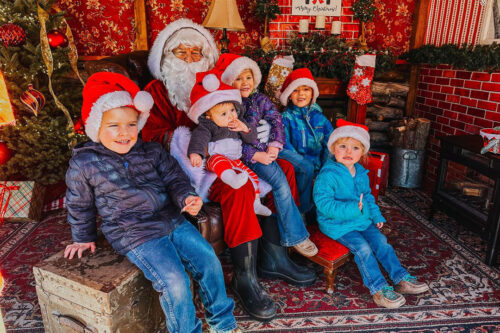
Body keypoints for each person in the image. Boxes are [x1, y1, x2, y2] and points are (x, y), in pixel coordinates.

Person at [142, 19, 315, 321]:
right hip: (194, 171)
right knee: (239, 186)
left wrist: (258, 129)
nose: (190, 60)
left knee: (283, 167)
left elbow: (242, 110)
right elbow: (147, 138)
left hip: (234, 153)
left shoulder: (218, 81)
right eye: (182, 53)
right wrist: (185, 142)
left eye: (197, 53)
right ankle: (245, 277)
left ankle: (274, 257)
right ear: (166, 57)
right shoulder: (156, 91)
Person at [64, 72, 241, 333]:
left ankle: (223, 323)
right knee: (175, 281)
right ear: (95, 127)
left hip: (172, 219)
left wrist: (187, 198)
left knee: (209, 260)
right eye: (114, 125)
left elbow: (175, 179)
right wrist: (82, 236)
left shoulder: (152, 151)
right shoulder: (84, 163)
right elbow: (78, 204)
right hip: (135, 232)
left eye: (131, 125)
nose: (124, 133)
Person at [313, 119, 429, 309]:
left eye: (355, 148)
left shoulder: (359, 172)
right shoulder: (327, 175)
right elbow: (324, 204)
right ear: (333, 149)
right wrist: (353, 208)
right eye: (343, 146)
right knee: (363, 249)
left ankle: (400, 278)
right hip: (337, 225)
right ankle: (378, 289)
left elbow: (367, 197)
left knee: (381, 242)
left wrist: (376, 216)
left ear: (363, 152)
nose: (349, 152)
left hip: (361, 220)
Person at [216, 53, 318, 258]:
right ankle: (296, 236)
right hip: (245, 158)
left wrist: (274, 144)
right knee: (280, 180)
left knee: (299, 167)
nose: (245, 83)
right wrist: (256, 156)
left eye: (248, 77)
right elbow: (230, 140)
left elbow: (276, 120)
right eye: (238, 78)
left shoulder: (260, 99)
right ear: (229, 80)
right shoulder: (228, 106)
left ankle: (300, 217)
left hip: (267, 150)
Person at [187, 71, 271, 216]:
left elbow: (251, 138)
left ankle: (256, 203)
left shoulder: (238, 122)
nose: (231, 115)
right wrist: (196, 153)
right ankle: (231, 179)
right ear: (209, 116)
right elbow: (199, 139)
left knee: (252, 176)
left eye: (232, 110)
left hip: (234, 161)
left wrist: (244, 128)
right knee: (219, 160)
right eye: (224, 114)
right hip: (215, 160)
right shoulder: (208, 126)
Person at [278, 68, 334, 217]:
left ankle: (330, 212)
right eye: (295, 90)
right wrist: (302, 162)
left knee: (331, 172)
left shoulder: (320, 118)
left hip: (318, 164)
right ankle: (302, 211)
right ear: (289, 96)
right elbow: (285, 144)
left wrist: (325, 167)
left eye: (306, 89)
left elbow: (330, 144)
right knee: (306, 168)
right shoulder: (286, 118)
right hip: (299, 163)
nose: (301, 94)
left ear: (312, 93)